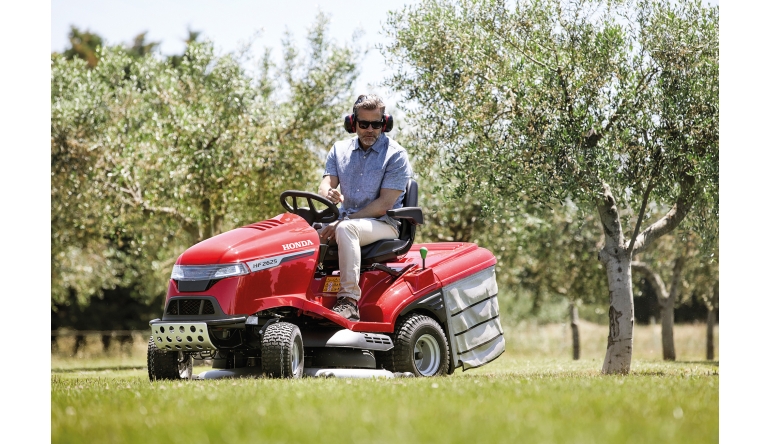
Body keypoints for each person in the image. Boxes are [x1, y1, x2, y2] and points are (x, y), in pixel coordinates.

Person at [317, 94, 412, 321]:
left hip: (384, 224)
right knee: (303, 235)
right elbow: (325, 183)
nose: (370, 129)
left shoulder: (396, 155)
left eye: (376, 124)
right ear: (353, 123)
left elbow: (384, 205)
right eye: (364, 124)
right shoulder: (339, 150)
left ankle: (349, 301)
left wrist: (345, 220)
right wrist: (327, 192)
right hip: (346, 220)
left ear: (385, 124)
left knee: (345, 230)